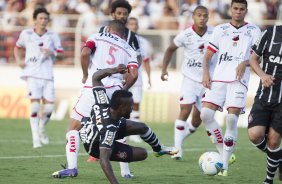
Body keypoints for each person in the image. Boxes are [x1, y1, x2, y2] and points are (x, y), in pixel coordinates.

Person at [52, 20, 138, 178]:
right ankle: (126, 173)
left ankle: (72, 168)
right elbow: (134, 75)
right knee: (119, 129)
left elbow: (85, 53)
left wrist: (85, 74)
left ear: (108, 29)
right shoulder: (130, 49)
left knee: (73, 129)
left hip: (94, 87)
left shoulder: (97, 36)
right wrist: (123, 90)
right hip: (114, 91)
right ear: (124, 35)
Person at [73, 65, 178, 184]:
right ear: (121, 108)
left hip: (100, 127)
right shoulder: (109, 130)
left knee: (142, 127)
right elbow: (103, 160)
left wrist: (115, 70)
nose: (132, 109)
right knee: (142, 153)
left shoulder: (103, 101)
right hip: (95, 147)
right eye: (130, 106)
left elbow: (96, 77)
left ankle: (158, 149)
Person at [201, 0, 261, 176]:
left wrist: (245, 63)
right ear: (230, 9)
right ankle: (223, 153)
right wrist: (205, 73)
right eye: (235, 8)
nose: (238, 12)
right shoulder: (220, 30)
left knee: (232, 119)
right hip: (218, 79)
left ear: (246, 11)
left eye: (242, 9)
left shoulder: (254, 30)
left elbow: (258, 57)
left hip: (238, 80)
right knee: (205, 114)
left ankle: (224, 166)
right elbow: (207, 57)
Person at [160, 6, 214, 160]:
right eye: (199, 15)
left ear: (208, 17)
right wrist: (164, 69)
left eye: (205, 16)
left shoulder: (215, 33)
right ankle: (177, 150)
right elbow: (170, 49)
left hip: (207, 80)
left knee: (198, 119)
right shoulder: (185, 35)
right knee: (184, 110)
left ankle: (179, 142)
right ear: (193, 17)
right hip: (190, 79)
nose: (202, 18)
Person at [98, 0, 142, 178]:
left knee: (117, 124)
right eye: (120, 13)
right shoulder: (102, 32)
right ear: (113, 14)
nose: (123, 16)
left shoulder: (131, 36)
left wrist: (128, 77)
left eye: (125, 14)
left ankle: (125, 170)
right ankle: (76, 163)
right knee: (83, 121)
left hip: (116, 85)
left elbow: (137, 60)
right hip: (99, 84)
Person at [14, 7, 63, 148]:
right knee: (35, 106)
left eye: (45, 18)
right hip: (31, 74)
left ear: (48, 20)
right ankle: (35, 138)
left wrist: (52, 52)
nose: (43, 21)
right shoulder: (26, 33)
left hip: (47, 75)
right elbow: (17, 47)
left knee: (49, 109)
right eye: (40, 18)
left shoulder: (53, 36)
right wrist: (18, 60)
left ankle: (41, 128)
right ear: (35, 19)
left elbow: (61, 54)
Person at [248, 25, 282, 184]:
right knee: (254, 135)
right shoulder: (270, 32)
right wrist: (262, 75)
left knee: (274, 141)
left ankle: (268, 180)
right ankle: (279, 158)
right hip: (264, 95)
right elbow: (253, 59)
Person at [126, 17, 152, 143]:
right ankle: (122, 132)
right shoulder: (121, 39)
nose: (134, 26)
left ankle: (134, 133)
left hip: (137, 77)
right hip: (123, 77)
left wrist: (149, 78)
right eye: (131, 24)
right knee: (122, 104)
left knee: (136, 104)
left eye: (135, 24)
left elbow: (146, 60)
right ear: (127, 25)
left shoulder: (143, 42)